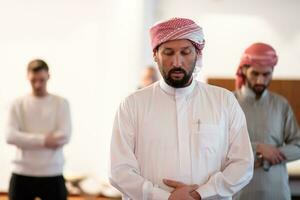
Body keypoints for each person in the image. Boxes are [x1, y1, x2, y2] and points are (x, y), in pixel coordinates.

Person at [109, 17, 253, 200]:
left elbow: (242, 164)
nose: (177, 62)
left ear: (197, 54)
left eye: (185, 52)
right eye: (168, 53)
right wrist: (163, 197)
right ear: (155, 55)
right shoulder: (132, 105)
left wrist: (201, 194)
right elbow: (119, 170)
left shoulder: (224, 101)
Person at [234, 43, 300, 200]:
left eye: (266, 75)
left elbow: (298, 145)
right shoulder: (229, 102)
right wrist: (258, 148)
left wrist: (267, 157)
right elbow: (219, 146)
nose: (260, 80)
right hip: (240, 193)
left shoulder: (281, 104)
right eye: (255, 73)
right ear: (243, 70)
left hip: (277, 193)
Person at [5, 59, 72, 200]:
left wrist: (24, 140)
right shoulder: (17, 104)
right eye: (33, 80)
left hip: (53, 174)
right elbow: (10, 136)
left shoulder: (61, 103)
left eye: (41, 80)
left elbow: (64, 136)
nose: (37, 84)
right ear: (27, 77)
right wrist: (45, 140)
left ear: (48, 76)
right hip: (21, 174)